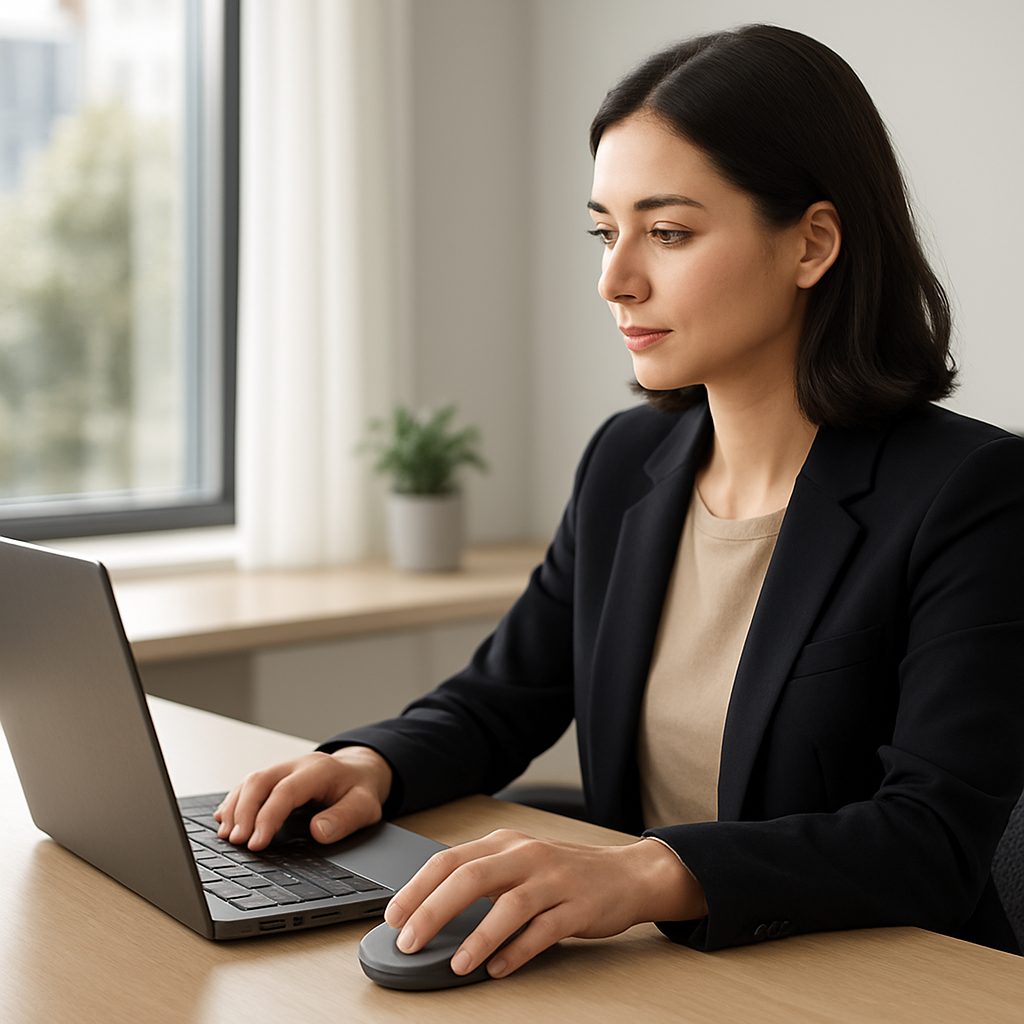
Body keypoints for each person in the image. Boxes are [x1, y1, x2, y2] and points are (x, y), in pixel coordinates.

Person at [214, 24, 1024, 975]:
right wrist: (369, 765)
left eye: (667, 233)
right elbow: (503, 697)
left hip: (877, 981)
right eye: (606, 232)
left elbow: (930, 838)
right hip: (657, 975)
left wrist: (644, 873)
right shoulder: (627, 459)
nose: (615, 280)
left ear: (812, 244)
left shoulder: (972, 492)